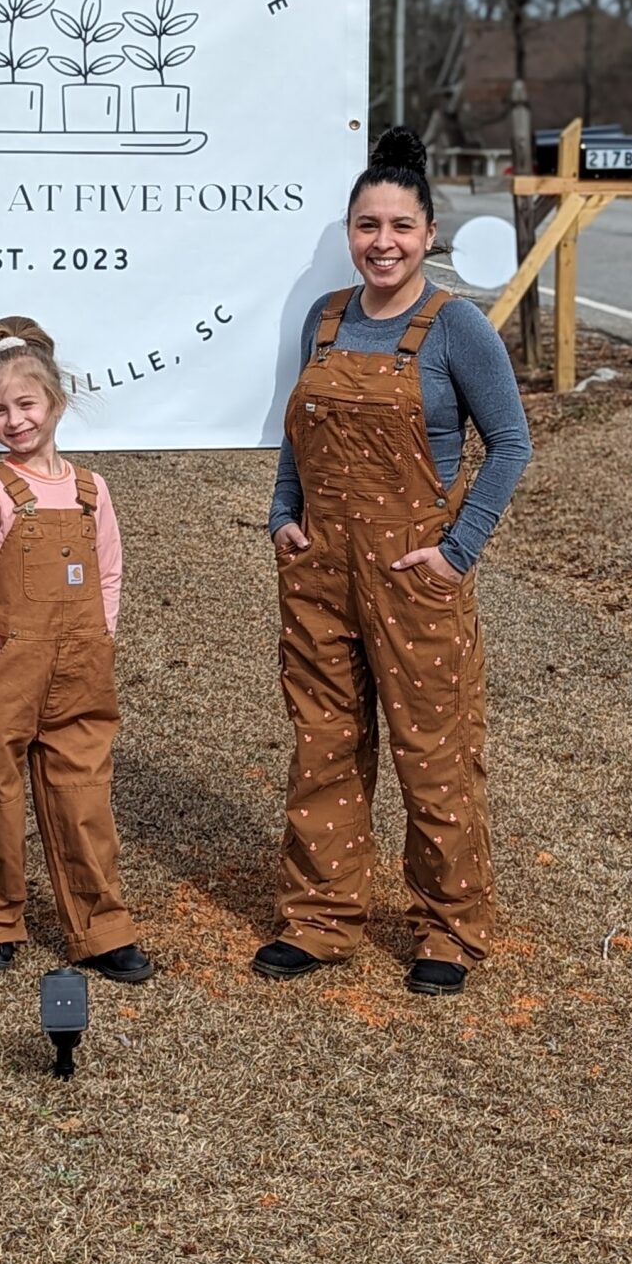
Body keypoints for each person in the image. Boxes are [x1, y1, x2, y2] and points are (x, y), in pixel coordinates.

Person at [255, 126, 531, 995]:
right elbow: (300, 433)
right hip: (319, 570)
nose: (384, 242)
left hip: (414, 577)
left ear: (429, 233)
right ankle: (322, 916)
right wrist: (281, 514)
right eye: (368, 226)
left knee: (432, 748)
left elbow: (512, 445)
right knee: (324, 743)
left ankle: (448, 927)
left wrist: (457, 553)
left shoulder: (456, 330)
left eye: (401, 227)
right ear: (349, 232)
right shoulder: (325, 319)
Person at [0, 316, 153, 983]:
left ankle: (101, 927)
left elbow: (112, 570)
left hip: (81, 670)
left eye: (26, 404)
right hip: (9, 670)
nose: (14, 420)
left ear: (56, 402)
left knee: (83, 796)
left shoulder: (93, 489)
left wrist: (102, 635)